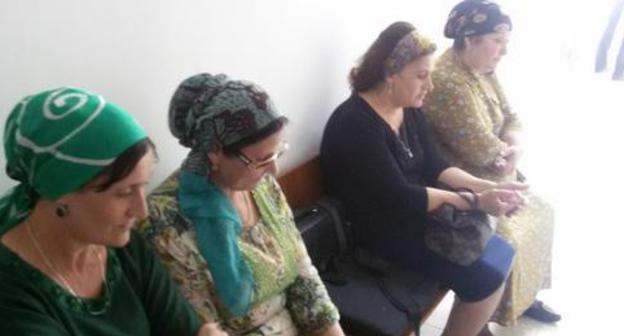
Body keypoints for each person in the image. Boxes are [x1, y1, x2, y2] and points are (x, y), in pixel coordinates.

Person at [320, 21, 526, 336]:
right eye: (421, 76)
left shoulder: (408, 108)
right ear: (391, 72)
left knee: (501, 254)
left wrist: (491, 188)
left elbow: (436, 166)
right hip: (377, 231)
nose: (429, 86)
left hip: (415, 215)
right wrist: (473, 202)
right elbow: (400, 197)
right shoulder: (355, 124)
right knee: (485, 278)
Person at [0, 87, 223, 335]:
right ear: (61, 191)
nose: (142, 211)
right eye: (124, 192)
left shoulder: (122, 245)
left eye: (143, 185)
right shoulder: (10, 296)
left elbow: (186, 330)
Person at [138, 74, 344, 336]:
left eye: (278, 152)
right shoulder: (165, 221)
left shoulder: (262, 187)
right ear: (215, 152)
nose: (274, 169)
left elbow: (304, 279)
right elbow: (204, 328)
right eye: (261, 159)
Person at [422, 0, 559, 328]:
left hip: (495, 173)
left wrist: (515, 146)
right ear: (470, 39)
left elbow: (512, 117)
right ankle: (483, 314)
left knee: (542, 211)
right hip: (462, 181)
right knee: (508, 237)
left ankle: (522, 300)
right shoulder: (449, 81)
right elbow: (483, 151)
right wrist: (507, 154)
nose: (503, 51)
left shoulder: (482, 70)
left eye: (505, 43)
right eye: (498, 42)